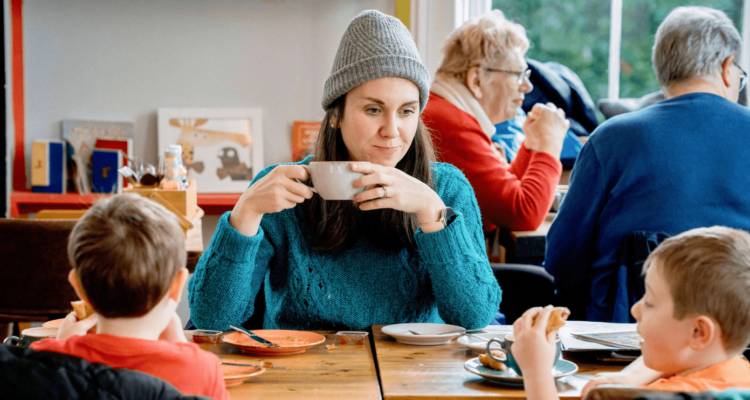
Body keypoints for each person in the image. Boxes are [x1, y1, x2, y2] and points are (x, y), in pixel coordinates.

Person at [188, 10, 501, 332]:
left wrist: (432, 212)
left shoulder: (446, 189)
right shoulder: (282, 191)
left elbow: (474, 318)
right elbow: (211, 320)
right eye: (373, 109)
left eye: (407, 111)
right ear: (336, 114)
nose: (392, 130)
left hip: (412, 376)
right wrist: (245, 214)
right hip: (301, 374)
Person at [544, 6, 750, 321]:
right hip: (738, 341)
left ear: (661, 71)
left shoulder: (611, 139)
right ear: (727, 67)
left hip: (627, 340)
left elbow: (562, 260)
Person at [514, 226, 750, 400]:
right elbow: (678, 354)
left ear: (699, 332)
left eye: (650, 303)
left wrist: (536, 373)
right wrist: (628, 378)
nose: (635, 309)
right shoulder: (736, 370)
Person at [30, 194, 229, 400]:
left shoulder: (41, 361)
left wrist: (61, 349)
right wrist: (185, 350)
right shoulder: (203, 370)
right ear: (178, 285)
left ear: (78, 287)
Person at [422, 10, 570, 232]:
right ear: (477, 80)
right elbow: (523, 214)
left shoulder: (447, 112)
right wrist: (550, 144)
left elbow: (499, 199)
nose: (527, 87)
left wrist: (532, 145)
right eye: (518, 75)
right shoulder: (452, 124)